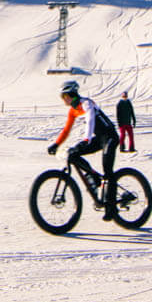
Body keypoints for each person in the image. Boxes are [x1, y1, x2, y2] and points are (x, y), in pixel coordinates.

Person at [48, 80, 119, 220]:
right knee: (73, 154)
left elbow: (91, 120)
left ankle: (112, 208)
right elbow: (66, 130)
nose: (63, 99)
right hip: (98, 138)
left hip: (110, 137)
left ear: (71, 94)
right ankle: (92, 175)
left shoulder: (86, 103)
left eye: (64, 96)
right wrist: (56, 144)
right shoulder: (73, 111)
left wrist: (87, 139)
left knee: (108, 170)